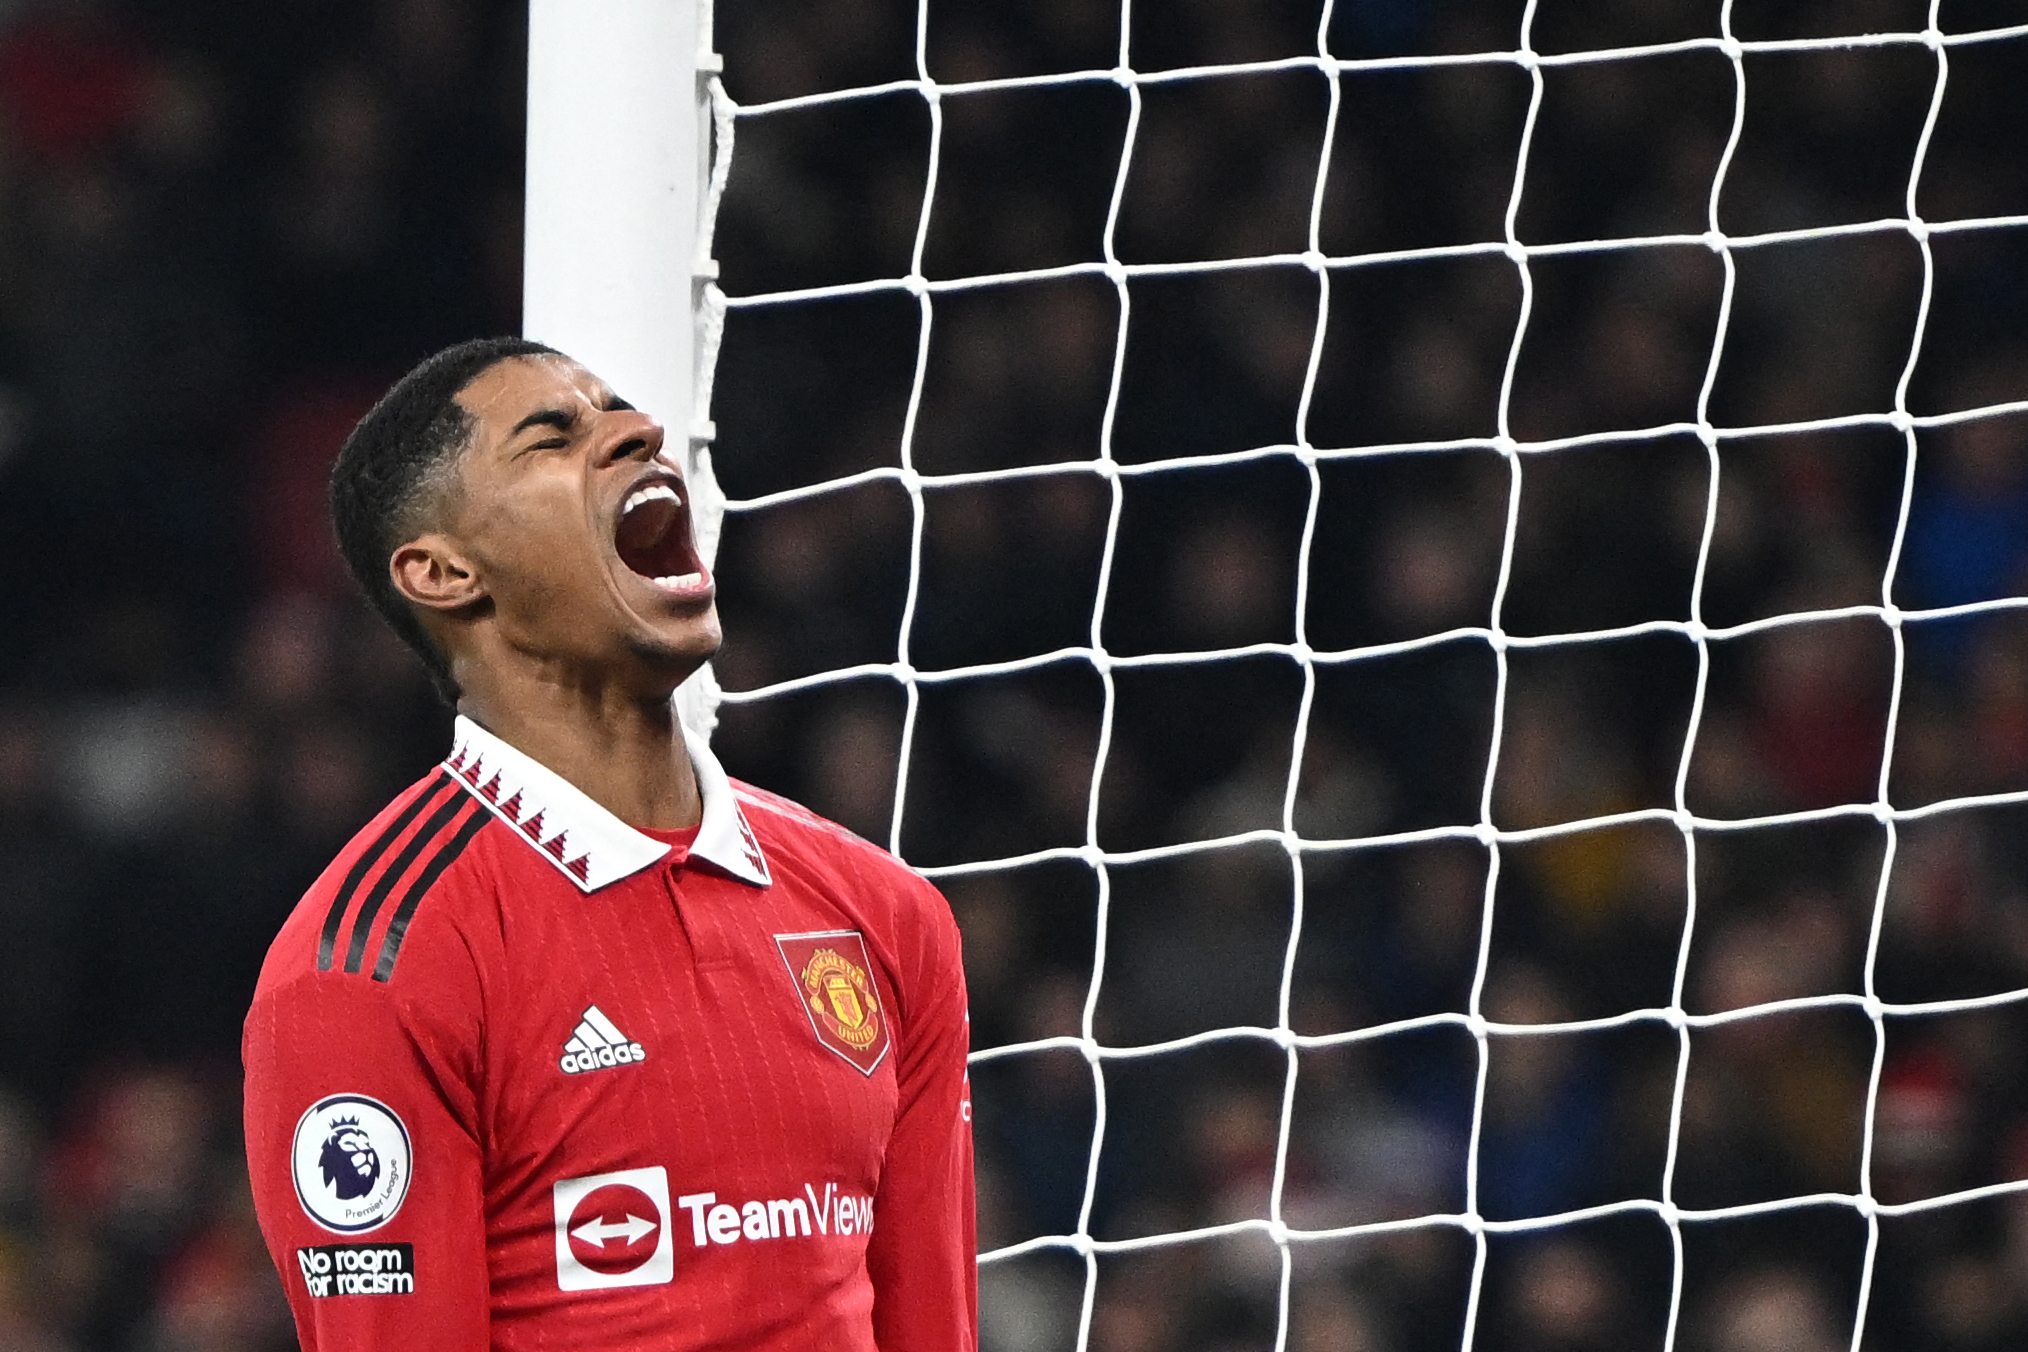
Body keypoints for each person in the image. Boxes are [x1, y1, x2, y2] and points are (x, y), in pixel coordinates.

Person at [241, 337, 976, 1351]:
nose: (641, 430)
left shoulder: (885, 912)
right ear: (445, 571)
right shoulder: (372, 964)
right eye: (554, 434)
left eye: (622, 413)